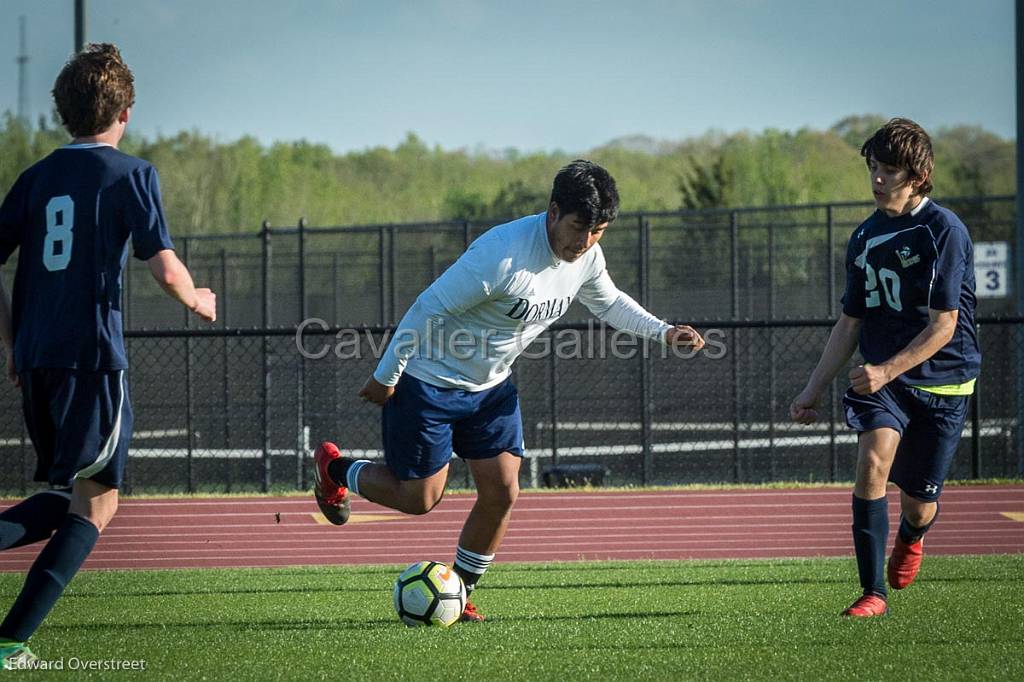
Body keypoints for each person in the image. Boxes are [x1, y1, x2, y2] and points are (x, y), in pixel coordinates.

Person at [313, 160, 706, 622]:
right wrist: (387, 374)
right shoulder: (501, 253)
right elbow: (427, 307)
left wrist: (663, 332)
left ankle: (458, 595)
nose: (585, 242)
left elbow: (610, 302)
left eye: (598, 231)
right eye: (580, 227)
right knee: (419, 499)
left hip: (491, 391)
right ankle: (335, 469)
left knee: (502, 492)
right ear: (554, 211)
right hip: (428, 383)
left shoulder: (588, 259)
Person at [0, 44, 216, 667]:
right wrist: (197, 298)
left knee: (76, 495)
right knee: (98, 502)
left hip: (39, 359)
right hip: (91, 359)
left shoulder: (34, 178)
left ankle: (10, 640)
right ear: (125, 111)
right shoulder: (131, 174)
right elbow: (164, 266)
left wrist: (14, 341)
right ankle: (10, 641)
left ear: (62, 113)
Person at [790, 118, 980, 618]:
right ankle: (873, 592)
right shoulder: (864, 237)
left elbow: (944, 326)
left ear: (917, 176)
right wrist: (811, 390)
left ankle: (913, 535)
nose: (878, 178)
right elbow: (850, 321)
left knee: (919, 502)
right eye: (874, 167)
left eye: (890, 169)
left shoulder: (944, 231)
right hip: (883, 380)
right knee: (873, 462)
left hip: (945, 379)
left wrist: (886, 370)